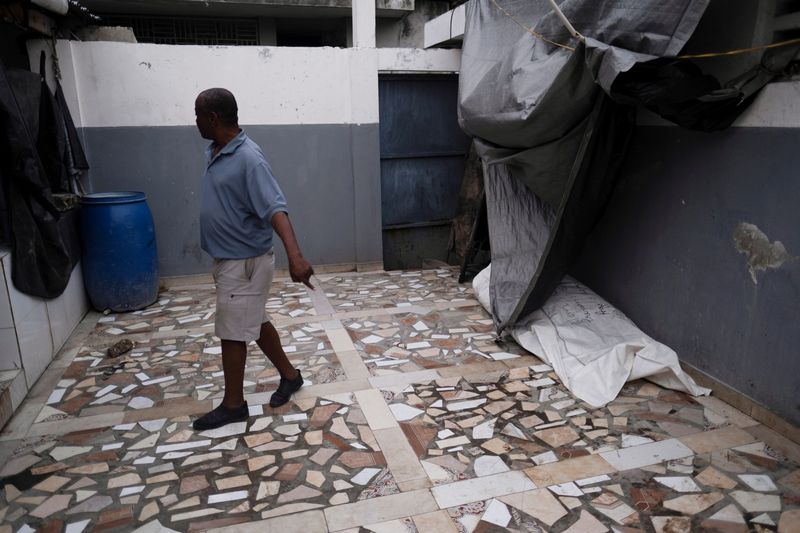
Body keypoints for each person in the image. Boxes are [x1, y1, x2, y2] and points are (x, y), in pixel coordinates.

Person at [192, 88, 314, 431]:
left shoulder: (249, 158)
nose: (195, 121)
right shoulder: (218, 151)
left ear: (213, 118)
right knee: (255, 320)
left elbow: (276, 208)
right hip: (230, 258)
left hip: (243, 262)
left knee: (232, 332)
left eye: (198, 114)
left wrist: (296, 256)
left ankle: (234, 405)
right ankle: (290, 376)